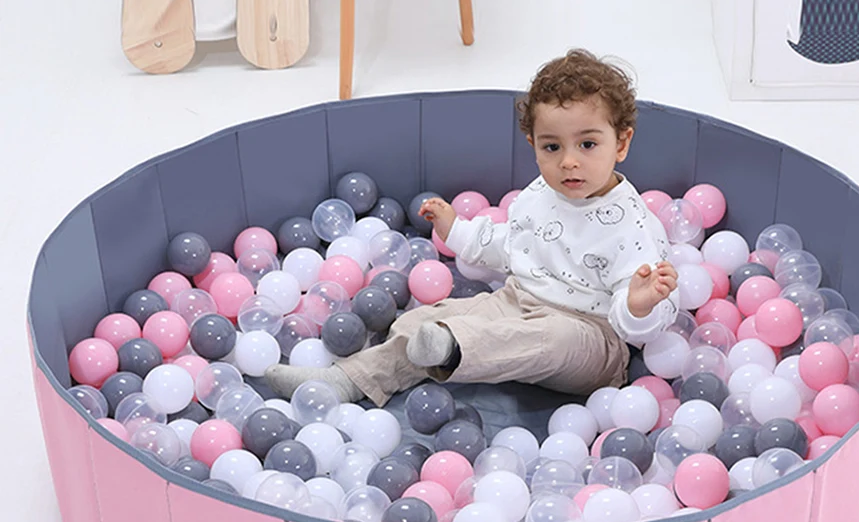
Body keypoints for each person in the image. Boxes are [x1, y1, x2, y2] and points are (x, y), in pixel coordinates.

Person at [266, 49, 679, 407]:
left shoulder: (632, 226)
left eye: (587, 144)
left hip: (591, 338)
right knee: (424, 322)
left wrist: (638, 305)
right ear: (533, 145)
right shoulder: (542, 193)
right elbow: (512, 245)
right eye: (552, 146)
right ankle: (345, 381)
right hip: (516, 302)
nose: (568, 161)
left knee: (550, 339)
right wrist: (457, 231)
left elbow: (637, 328)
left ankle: (453, 348)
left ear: (621, 143)